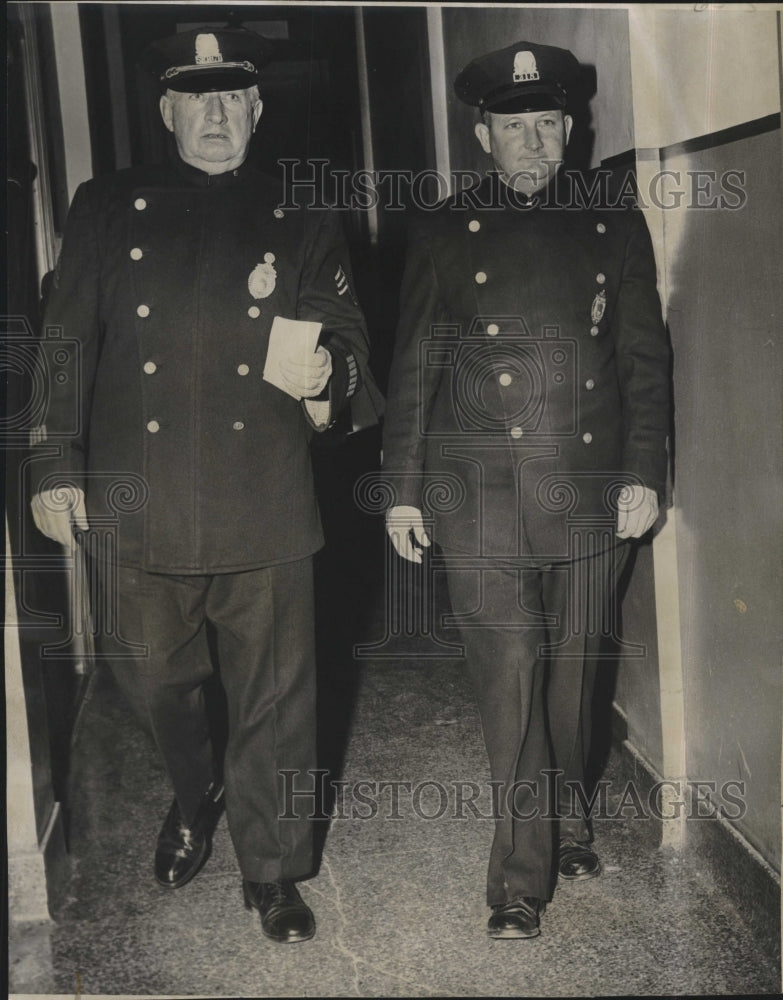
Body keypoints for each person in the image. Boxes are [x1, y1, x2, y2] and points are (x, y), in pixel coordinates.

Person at [30, 26, 380, 944]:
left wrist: (326, 380)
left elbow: (346, 339)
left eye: (234, 98)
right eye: (198, 97)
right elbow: (63, 343)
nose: (217, 115)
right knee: (151, 680)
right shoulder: (104, 205)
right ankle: (197, 790)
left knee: (276, 696)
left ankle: (273, 871)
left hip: (261, 494)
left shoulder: (296, 214)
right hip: (133, 500)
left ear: (258, 110)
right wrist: (51, 466)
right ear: (167, 110)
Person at [382, 40, 670, 939]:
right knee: (508, 679)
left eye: (550, 123)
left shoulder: (612, 221)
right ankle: (517, 878)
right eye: (516, 126)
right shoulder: (440, 227)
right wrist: (400, 490)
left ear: (572, 129)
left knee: (576, 679)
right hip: (478, 496)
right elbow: (416, 362)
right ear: (483, 135)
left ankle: (567, 816)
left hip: (586, 489)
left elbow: (643, 362)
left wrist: (644, 475)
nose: (535, 142)